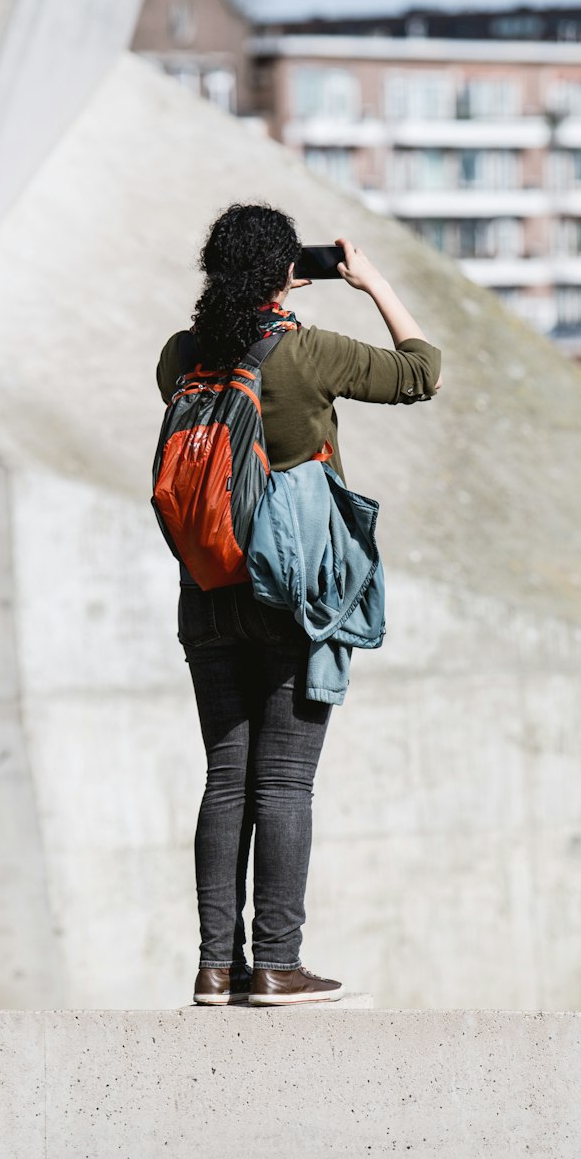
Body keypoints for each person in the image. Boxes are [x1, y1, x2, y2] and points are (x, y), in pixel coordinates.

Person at [156, 202, 442, 1007]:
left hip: (206, 590)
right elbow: (423, 371)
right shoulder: (304, 354)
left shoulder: (182, 356)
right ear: (291, 271)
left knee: (226, 779)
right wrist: (371, 280)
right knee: (282, 783)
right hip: (291, 594)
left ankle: (219, 966)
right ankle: (277, 963)